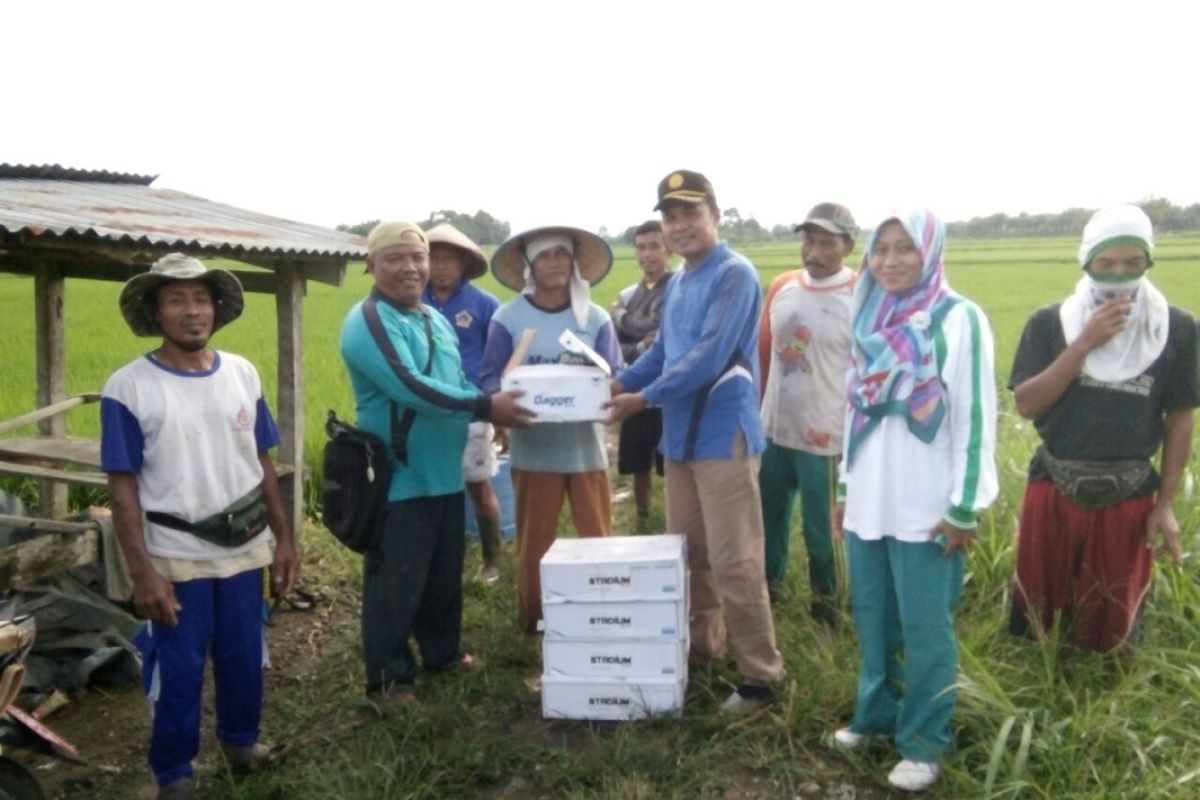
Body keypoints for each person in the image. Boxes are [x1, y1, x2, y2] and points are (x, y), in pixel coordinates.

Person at [101, 253, 300, 800]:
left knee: (244, 654)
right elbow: (122, 488)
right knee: (179, 668)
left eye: (201, 299)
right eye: (176, 300)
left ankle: (241, 743)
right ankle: (175, 772)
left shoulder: (242, 373)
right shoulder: (129, 387)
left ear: (215, 309)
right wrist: (142, 573)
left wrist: (284, 541)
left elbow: (261, 461)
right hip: (175, 554)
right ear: (156, 311)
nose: (192, 311)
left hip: (244, 547)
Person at [606, 170, 786, 715]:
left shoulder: (734, 274)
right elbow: (663, 353)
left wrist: (641, 400)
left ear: (716, 216)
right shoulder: (681, 281)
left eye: (690, 213)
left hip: (722, 434)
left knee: (736, 560)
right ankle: (705, 651)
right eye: (670, 216)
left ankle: (761, 676)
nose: (679, 226)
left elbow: (708, 357)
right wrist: (616, 383)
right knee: (688, 555)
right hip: (679, 440)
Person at [831, 210, 997, 792]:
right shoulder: (867, 319)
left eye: (906, 249)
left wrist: (964, 506)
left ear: (931, 253)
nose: (892, 261)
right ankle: (875, 717)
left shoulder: (959, 319)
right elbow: (855, 415)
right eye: (882, 249)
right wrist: (846, 488)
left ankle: (925, 742)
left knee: (926, 627)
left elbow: (976, 419)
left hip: (927, 506)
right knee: (874, 616)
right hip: (870, 501)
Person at [339, 221, 531, 713]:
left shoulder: (433, 318)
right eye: (395, 258)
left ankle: (442, 654)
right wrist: (489, 407)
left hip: (444, 471)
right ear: (372, 266)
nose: (410, 267)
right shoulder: (367, 321)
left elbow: (457, 381)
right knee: (396, 580)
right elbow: (412, 387)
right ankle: (387, 677)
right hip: (400, 478)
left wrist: (493, 409)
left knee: (442, 573)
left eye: (417, 258)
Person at [1008, 204, 1198, 652]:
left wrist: (1165, 504)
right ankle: (1042, 700)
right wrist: (1085, 343)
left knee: (1111, 626)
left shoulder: (1177, 328)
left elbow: (1181, 419)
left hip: (1129, 494)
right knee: (1040, 618)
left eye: (1133, 263)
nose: (1119, 275)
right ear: (1086, 262)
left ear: (1149, 263)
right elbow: (1027, 404)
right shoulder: (1050, 323)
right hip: (1054, 485)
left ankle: (1101, 706)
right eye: (1106, 264)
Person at [479, 225, 622, 634]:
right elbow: (490, 376)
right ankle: (535, 620)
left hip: (584, 449)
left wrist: (600, 394)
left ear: (574, 261)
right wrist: (505, 403)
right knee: (534, 542)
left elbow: (617, 374)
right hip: (533, 448)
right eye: (545, 255)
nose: (555, 262)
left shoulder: (594, 318)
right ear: (530, 265)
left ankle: (602, 616)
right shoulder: (509, 318)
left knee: (596, 536)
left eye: (562, 253)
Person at [758, 202, 858, 618]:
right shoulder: (782, 286)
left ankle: (828, 608)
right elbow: (763, 351)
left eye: (825, 244)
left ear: (847, 246)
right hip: (774, 430)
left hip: (825, 436)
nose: (813, 252)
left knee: (823, 530)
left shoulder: (861, 295)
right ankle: (769, 593)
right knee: (768, 520)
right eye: (808, 241)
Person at [422, 222, 505, 582]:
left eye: (447, 260)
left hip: (472, 409)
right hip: (425, 409)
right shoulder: (413, 300)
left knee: (478, 486)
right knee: (432, 489)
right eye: (433, 258)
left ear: (463, 265)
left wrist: (497, 404)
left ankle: (492, 560)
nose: (439, 267)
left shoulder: (484, 304)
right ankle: (441, 562)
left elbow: (502, 353)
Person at [611, 220, 674, 523]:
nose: (648, 254)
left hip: (667, 388)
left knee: (672, 462)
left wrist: (625, 321)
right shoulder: (626, 294)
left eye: (655, 246)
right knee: (638, 461)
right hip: (633, 389)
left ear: (668, 249)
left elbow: (659, 338)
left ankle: (675, 517)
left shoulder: (678, 289)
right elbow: (615, 345)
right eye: (641, 247)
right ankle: (642, 515)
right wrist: (640, 342)